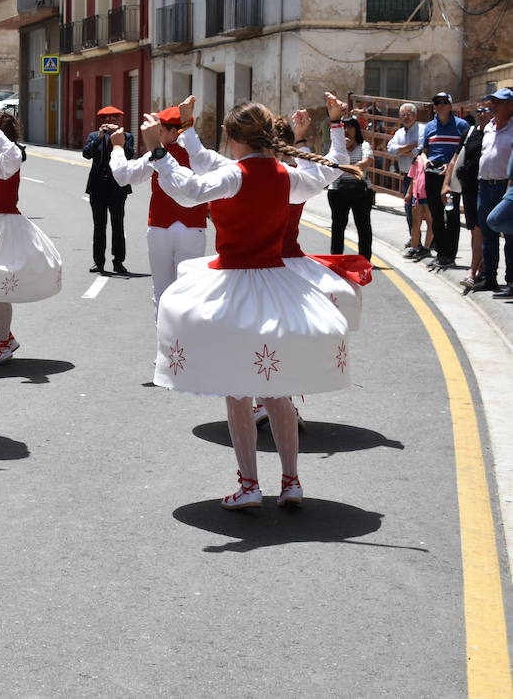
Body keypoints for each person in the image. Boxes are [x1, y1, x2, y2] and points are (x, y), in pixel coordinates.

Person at [145, 96, 356, 509]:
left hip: (233, 288)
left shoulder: (234, 175)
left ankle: (249, 485)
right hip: (277, 286)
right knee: (277, 390)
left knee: (236, 389)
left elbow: (186, 191)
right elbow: (321, 174)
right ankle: (291, 481)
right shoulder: (283, 174)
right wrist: (332, 127)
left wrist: (158, 151)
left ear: (231, 137)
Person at [0, 111, 61, 366]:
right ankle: (6, 338)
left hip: (4, 225)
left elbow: (12, 155)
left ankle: (3, 342)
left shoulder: (8, 156)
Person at [110, 105, 207, 314]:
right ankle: (186, 343)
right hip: (192, 229)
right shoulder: (201, 155)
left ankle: (165, 344)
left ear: (174, 132)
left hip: (161, 228)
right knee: (190, 291)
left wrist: (117, 148)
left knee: (162, 292)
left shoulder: (157, 154)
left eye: (159, 130)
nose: (155, 135)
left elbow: (124, 175)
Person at [419, 92, 468, 266]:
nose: (439, 105)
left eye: (443, 102)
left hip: (452, 177)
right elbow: (424, 150)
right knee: (436, 215)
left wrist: (451, 166)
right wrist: (426, 161)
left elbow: (465, 152)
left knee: (452, 215)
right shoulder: (429, 127)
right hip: (433, 174)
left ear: (450, 105)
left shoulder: (462, 126)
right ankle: (441, 253)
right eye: (436, 103)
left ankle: (450, 255)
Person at [83, 106, 133, 275]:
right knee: (99, 226)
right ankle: (99, 262)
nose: (110, 121)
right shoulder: (94, 137)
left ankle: (119, 262)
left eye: (114, 118)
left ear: (119, 120)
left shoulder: (127, 137)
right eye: (106, 119)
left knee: (118, 225)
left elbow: (130, 155)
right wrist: (99, 137)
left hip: (118, 188)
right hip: (97, 188)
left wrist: (117, 139)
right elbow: (87, 154)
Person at [449, 102, 491, 291]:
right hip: (469, 188)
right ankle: (480, 268)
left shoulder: (495, 134)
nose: (482, 114)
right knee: (475, 230)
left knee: (480, 230)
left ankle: (473, 271)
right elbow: (456, 158)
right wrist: (446, 185)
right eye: (479, 111)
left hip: (487, 187)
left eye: (486, 110)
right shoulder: (470, 133)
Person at [475, 88, 513, 295]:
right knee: (487, 234)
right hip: (484, 185)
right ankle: (489, 278)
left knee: (509, 234)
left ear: (511, 106)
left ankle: (511, 281)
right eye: (493, 102)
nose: (494, 105)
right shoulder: (488, 128)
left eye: (499, 102)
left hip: (504, 186)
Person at [326, 117, 375, 261]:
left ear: (356, 129)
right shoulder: (336, 147)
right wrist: (346, 158)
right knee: (338, 226)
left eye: (350, 127)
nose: (346, 131)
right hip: (337, 191)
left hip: (361, 191)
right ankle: (336, 258)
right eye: (344, 128)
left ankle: (365, 259)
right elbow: (330, 165)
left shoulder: (363, 145)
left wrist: (344, 167)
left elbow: (367, 161)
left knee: (363, 225)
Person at [387, 102, 423, 244]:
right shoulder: (399, 132)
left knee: (422, 209)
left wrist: (402, 150)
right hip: (406, 175)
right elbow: (390, 149)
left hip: (419, 177)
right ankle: (414, 238)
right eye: (403, 115)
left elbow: (418, 152)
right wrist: (409, 147)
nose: (406, 117)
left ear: (415, 115)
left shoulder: (421, 130)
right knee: (408, 208)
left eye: (409, 114)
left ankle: (428, 240)